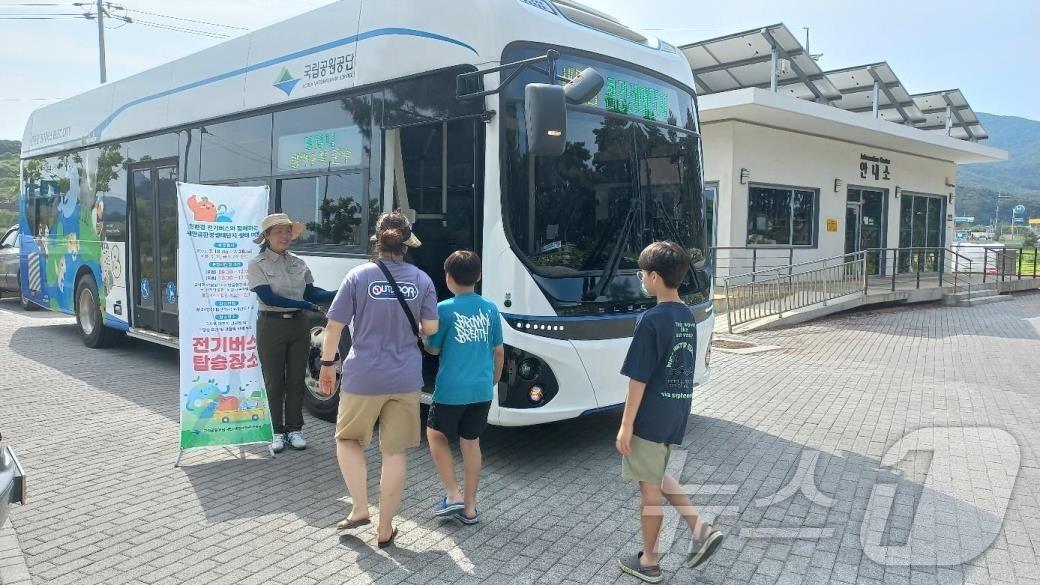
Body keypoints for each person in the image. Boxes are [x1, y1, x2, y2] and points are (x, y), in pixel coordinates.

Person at [318, 210, 438, 548]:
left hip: (364, 376)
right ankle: (385, 529)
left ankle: (359, 508)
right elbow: (430, 330)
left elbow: (334, 327)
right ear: (406, 244)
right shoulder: (422, 280)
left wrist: (328, 364)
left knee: (347, 440)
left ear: (377, 240)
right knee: (394, 452)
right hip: (405, 377)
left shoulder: (357, 276)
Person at [615, 241, 724, 583]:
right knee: (658, 475)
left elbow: (638, 378)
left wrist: (625, 425)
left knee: (648, 489)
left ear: (656, 277)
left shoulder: (650, 320)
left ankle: (649, 561)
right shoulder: (686, 316)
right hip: (675, 410)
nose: (641, 279)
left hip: (649, 415)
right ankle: (700, 527)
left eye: (643, 274)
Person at [423, 251, 504, 525]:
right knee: (471, 443)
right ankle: (470, 508)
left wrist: (424, 336)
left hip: (451, 389)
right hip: (481, 388)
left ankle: (452, 494)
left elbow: (432, 349)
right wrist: (493, 379)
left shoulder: (443, 309)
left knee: (435, 434)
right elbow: (499, 351)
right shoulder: (491, 308)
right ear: (479, 276)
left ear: (447, 278)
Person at [248, 213, 335, 454]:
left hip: (299, 325)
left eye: (288, 231)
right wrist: (306, 305)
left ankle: (294, 429)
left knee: (297, 379)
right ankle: (276, 431)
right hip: (271, 325)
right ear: (267, 236)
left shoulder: (298, 262)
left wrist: (342, 290)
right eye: (279, 232)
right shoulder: (257, 264)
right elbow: (268, 297)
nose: (285, 236)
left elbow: (312, 293)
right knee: (275, 380)